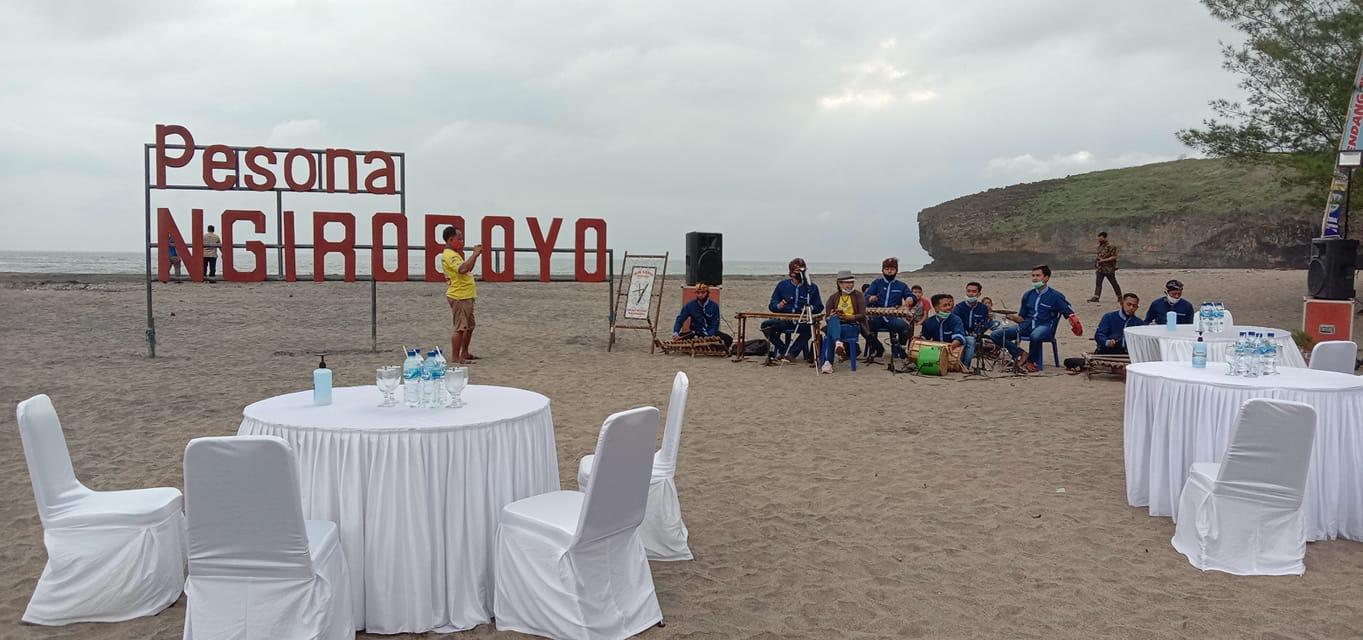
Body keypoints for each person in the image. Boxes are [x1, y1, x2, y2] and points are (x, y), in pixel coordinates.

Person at [990, 265, 1082, 373]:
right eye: (1033, 275)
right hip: (1026, 326)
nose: (1034, 278)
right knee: (996, 335)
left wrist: (1074, 323)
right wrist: (1012, 317)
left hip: (1045, 327)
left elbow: (1069, 312)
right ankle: (1020, 353)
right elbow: (1022, 318)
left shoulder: (1056, 296)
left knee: (1036, 335)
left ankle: (1031, 361)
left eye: (1038, 275)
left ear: (1046, 278)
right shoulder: (1027, 295)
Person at [762, 258, 822, 363]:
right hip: (785, 319)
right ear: (791, 273)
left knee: (810, 329)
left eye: (802, 271)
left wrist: (810, 308)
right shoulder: (782, 285)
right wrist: (779, 305)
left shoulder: (812, 287)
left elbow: (819, 306)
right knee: (766, 326)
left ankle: (792, 353)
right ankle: (784, 350)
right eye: (796, 271)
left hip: (802, 320)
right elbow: (772, 306)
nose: (799, 274)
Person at [441, 226, 485, 364]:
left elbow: (466, 268)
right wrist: (475, 254)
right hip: (459, 296)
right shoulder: (449, 255)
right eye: (459, 238)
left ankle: (464, 352)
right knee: (460, 328)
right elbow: (463, 268)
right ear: (450, 239)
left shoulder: (454, 254)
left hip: (466, 295)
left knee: (470, 326)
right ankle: (456, 357)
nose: (462, 241)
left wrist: (474, 256)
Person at [863, 257, 915, 361]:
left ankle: (901, 349)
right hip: (876, 316)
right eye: (887, 269)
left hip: (893, 317)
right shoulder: (877, 283)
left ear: (896, 270)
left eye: (892, 268)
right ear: (882, 270)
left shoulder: (901, 285)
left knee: (904, 327)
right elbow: (865, 297)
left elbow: (910, 296)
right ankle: (877, 348)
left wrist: (910, 299)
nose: (889, 271)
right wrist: (871, 298)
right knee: (865, 327)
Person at [820, 271, 866, 374]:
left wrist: (848, 317)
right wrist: (831, 315)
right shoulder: (833, 297)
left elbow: (862, 315)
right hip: (836, 324)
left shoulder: (858, 295)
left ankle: (828, 362)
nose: (850, 285)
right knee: (834, 319)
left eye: (851, 282)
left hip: (851, 326)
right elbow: (827, 317)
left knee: (831, 331)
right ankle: (838, 343)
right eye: (847, 282)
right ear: (839, 283)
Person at [673, 282, 732, 350]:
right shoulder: (690, 305)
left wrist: (709, 336)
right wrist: (676, 333)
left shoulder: (714, 306)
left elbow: (715, 324)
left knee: (728, 339)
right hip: (696, 333)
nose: (700, 295)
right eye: (698, 293)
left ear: (707, 293)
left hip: (711, 333)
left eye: (703, 293)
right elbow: (680, 319)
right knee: (680, 338)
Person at [921, 294, 967, 369]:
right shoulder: (929, 322)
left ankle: (965, 365)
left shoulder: (956, 319)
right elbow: (925, 338)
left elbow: (959, 337)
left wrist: (948, 348)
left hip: (953, 350)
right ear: (936, 308)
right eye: (945, 305)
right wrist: (919, 339)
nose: (948, 308)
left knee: (969, 340)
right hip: (935, 351)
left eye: (949, 305)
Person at [952, 282, 990, 368]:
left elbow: (985, 324)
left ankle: (965, 366)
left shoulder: (983, 308)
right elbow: (955, 323)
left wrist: (978, 333)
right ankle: (965, 367)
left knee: (972, 340)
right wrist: (963, 333)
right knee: (970, 341)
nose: (970, 294)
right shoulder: (959, 307)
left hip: (975, 334)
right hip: (960, 334)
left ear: (979, 293)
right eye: (968, 291)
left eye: (973, 291)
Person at [1088, 231, 1121, 302]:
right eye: (1099, 239)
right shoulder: (1099, 247)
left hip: (1109, 269)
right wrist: (1096, 263)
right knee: (1098, 283)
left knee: (1114, 283)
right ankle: (1096, 297)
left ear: (1105, 238)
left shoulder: (1111, 246)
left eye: (1101, 239)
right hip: (1100, 269)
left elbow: (1114, 257)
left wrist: (1103, 260)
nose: (1100, 240)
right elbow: (1098, 256)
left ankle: (1120, 297)